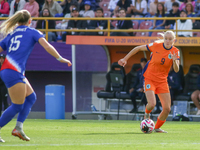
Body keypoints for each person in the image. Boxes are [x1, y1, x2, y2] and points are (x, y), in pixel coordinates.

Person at [0, 10, 72, 143]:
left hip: (10, 70)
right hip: (13, 70)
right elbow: (47, 46)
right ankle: (15, 128)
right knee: (16, 105)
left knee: (31, 97)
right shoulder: (33, 31)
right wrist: (60, 58)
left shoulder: (11, 34)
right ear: (30, 21)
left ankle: (18, 128)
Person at [118, 30, 180, 133]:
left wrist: (174, 61)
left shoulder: (175, 51)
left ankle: (156, 127)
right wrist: (125, 59)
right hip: (149, 78)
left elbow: (177, 69)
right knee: (152, 104)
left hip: (162, 81)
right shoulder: (156, 45)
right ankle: (147, 114)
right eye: (166, 39)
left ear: (174, 40)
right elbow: (137, 48)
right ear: (163, 39)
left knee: (167, 109)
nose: (168, 41)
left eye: (170, 39)